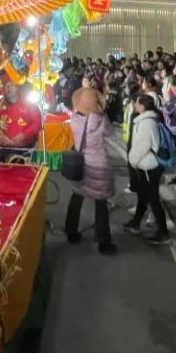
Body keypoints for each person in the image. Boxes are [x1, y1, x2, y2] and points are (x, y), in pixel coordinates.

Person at [65, 87, 117, 254]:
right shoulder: (101, 120)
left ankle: (71, 232)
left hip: (81, 165)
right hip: (99, 165)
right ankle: (103, 242)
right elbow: (111, 133)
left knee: (76, 198)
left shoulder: (74, 120)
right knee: (101, 204)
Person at [0, 81, 42, 155]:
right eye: (6, 85)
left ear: (18, 87)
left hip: (25, 148)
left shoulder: (29, 103)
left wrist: (24, 135)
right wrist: (0, 137)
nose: (8, 87)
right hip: (2, 149)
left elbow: (37, 123)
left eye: (11, 85)